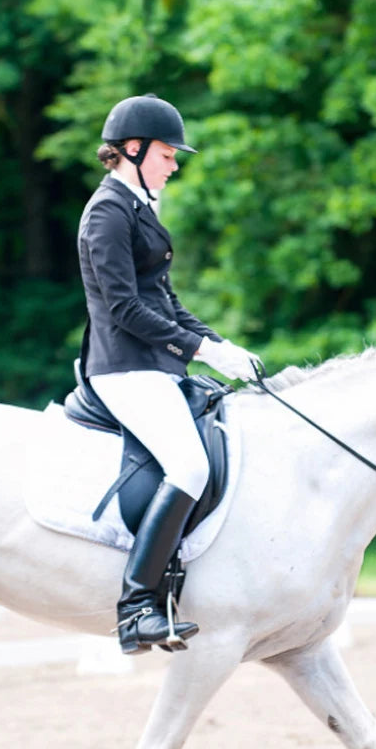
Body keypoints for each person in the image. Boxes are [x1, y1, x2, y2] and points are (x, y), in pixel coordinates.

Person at [77, 93, 260, 655]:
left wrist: (220, 344)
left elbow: (166, 300)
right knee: (189, 464)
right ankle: (136, 606)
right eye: (166, 153)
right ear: (132, 150)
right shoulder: (107, 213)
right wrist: (199, 349)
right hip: (123, 368)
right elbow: (125, 307)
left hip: (153, 364)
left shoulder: (138, 208)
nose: (174, 163)